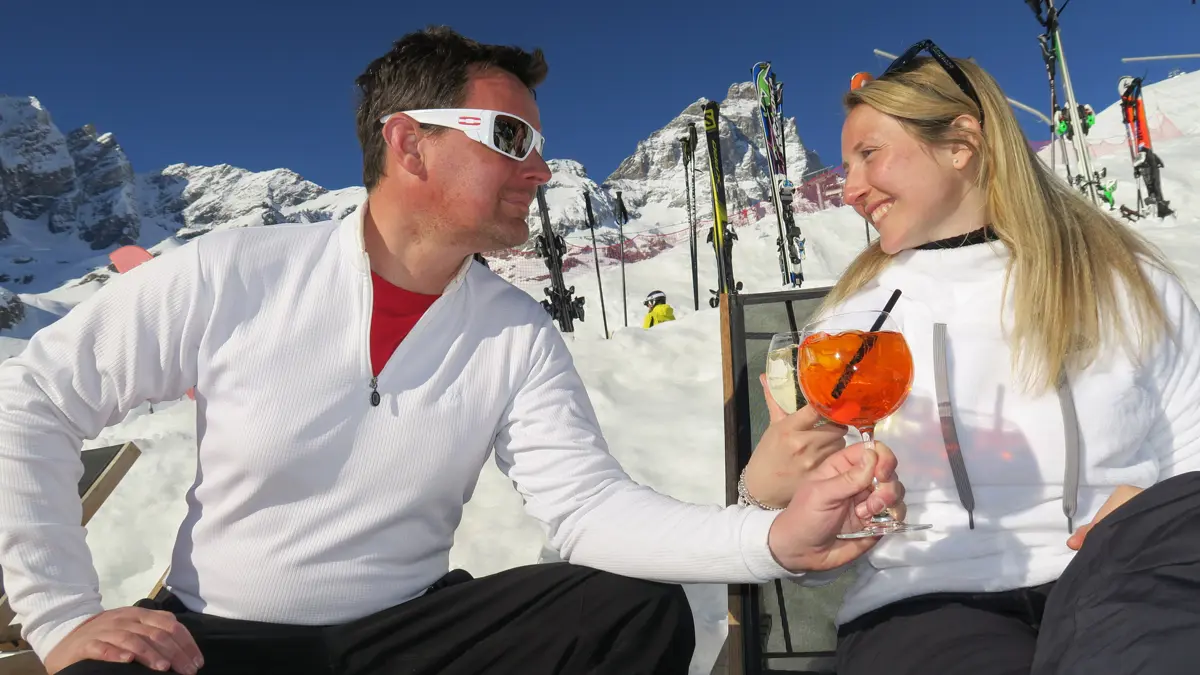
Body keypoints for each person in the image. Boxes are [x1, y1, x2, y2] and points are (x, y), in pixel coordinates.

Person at [0, 27, 907, 675]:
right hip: (218, 639)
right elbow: (34, 396)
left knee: (631, 609)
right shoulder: (233, 271)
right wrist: (64, 617)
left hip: (409, 637)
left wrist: (774, 538)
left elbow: (587, 509)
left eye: (541, 145)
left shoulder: (512, 333)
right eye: (511, 138)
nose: (542, 169)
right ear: (409, 144)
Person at [740, 40, 1200, 675]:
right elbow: (819, 559)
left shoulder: (1121, 279)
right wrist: (772, 493)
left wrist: (1161, 507)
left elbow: (1194, 433)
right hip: (930, 600)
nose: (848, 189)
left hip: (1129, 571)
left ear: (962, 142)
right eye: (847, 165)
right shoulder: (852, 330)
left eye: (868, 155)